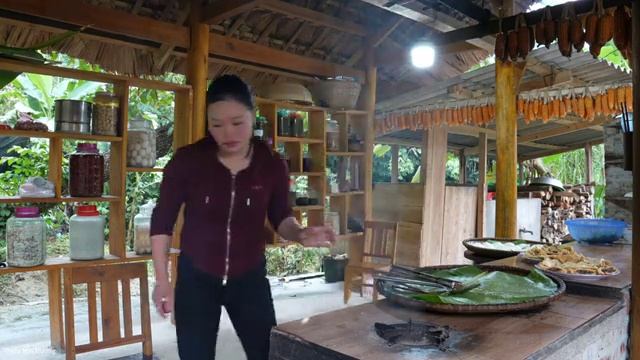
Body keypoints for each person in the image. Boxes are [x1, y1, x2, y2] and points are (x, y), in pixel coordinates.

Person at [150, 74, 335, 360]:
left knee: (267, 353)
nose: (228, 133)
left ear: (253, 116)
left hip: (249, 278)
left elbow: (281, 217)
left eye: (237, 123)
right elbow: (162, 222)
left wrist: (300, 234)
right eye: (217, 124)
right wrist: (162, 281)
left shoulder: (271, 164)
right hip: (196, 278)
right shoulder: (187, 161)